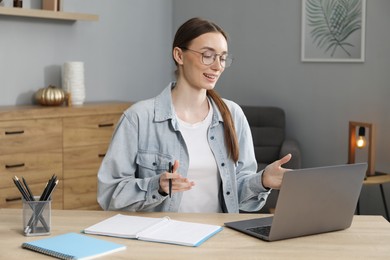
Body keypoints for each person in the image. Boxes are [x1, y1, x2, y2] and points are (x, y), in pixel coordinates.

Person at [97, 17, 292, 213]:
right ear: (179, 55)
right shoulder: (138, 118)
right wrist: (157, 187)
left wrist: (263, 180)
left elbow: (240, 199)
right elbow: (109, 194)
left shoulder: (233, 115)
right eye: (208, 55)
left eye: (222, 58)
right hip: (162, 239)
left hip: (219, 237)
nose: (217, 66)